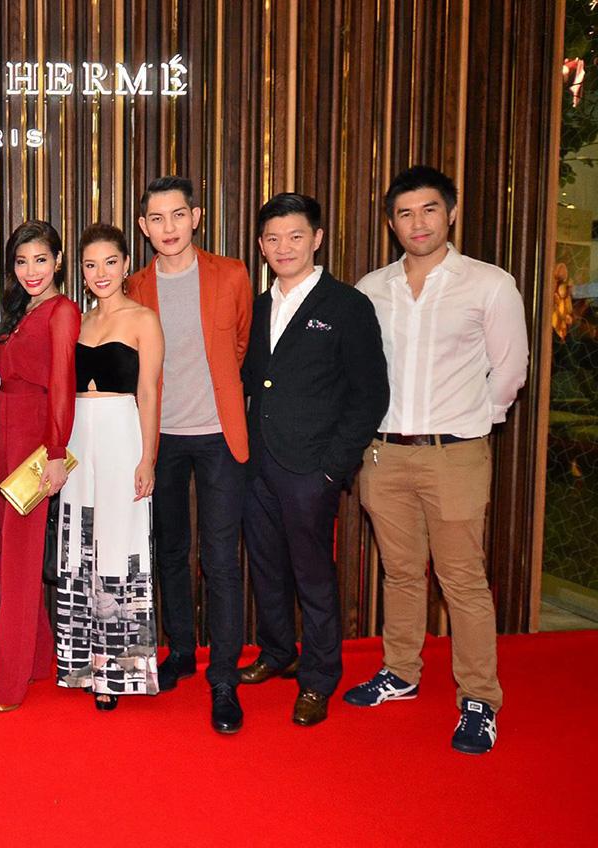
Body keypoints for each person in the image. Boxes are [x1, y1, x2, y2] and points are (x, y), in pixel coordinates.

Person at [348, 166, 528, 755]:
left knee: (463, 581)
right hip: (384, 454)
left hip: (456, 454)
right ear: (391, 223)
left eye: (429, 209)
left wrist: (473, 422)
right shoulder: (372, 288)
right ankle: (400, 672)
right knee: (399, 573)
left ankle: (479, 698)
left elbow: (510, 369)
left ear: (450, 212)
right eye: (404, 213)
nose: (417, 222)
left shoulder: (489, 284)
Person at [240, 192, 389, 727]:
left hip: (312, 470)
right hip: (257, 463)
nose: (284, 247)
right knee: (266, 568)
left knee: (313, 576)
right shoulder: (256, 307)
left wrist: (332, 468)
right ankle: (278, 651)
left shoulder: (347, 305)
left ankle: (320, 676)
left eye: (295, 236)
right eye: (273, 238)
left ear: (317, 239)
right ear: (262, 246)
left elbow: (370, 395)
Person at [128, 175, 253, 733]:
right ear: (143, 227)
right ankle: (180, 650)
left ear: (196, 217)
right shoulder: (135, 286)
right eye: (156, 219)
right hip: (161, 439)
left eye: (178, 215)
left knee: (220, 558)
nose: (169, 228)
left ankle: (223, 676)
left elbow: (241, 344)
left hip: (220, 435)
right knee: (170, 551)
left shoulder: (231, 275)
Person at [56, 224, 162, 710]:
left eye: (110, 262)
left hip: (123, 435)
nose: (101, 272)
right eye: (90, 264)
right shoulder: (77, 322)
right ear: (81, 271)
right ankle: (82, 664)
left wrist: (148, 457)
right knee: (80, 546)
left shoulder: (143, 320)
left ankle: (118, 672)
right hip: (79, 438)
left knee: (120, 546)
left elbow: (150, 393)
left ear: (125, 265)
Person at [0, 220, 81, 711]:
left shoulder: (63, 311)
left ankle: (8, 682)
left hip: (33, 442)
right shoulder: (19, 310)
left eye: (41, 260)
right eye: (22, 261)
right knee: (9, 556)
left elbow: (63, 383)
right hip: (1, 438)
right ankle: (40, 658)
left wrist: (56, 453)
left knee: (20, 563)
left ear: (59, 261)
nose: (31, 270)